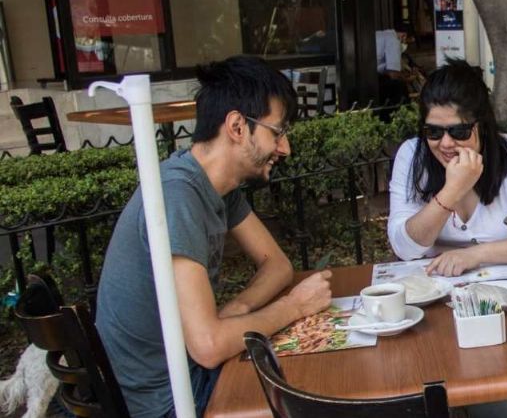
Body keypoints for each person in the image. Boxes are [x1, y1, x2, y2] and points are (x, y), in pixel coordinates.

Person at [96, 56, 334, 418]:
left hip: (188, 375)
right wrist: (295, 307)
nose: (285, 148)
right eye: (277, 132)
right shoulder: (178, 194)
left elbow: (278, 265)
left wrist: (237, 310)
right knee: (322, 389)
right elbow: (207, 346)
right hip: (171, 400)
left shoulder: (216, 186)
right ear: (238, 126)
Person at [388, 59, 507, 277]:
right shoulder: (412, 155)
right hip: (436, 287)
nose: (446, 143)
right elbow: (405, 248)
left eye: (459, 132)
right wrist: (452, 191)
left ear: (483, 126)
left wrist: (474, 255)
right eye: (433, 131)